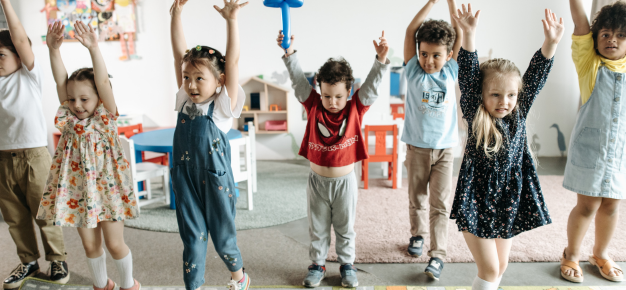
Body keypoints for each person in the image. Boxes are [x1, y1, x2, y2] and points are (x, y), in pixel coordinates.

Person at [449, 4, 563, 290]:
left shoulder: (518, 113)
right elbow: (469, 74)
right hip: (477, 200)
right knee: (489, 269)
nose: (504, 101)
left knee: (501, 267)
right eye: (496, 94)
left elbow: (535, 77)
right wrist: (469, 35)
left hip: (508, 200)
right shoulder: (475, 113)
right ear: (482, 94)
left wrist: (550, 43)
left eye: (511, 95)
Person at [278, 29, 390, 287]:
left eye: (338, 96)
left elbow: (371, 89)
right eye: (327, 95)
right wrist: (289, 53)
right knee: (317, 229)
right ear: (319, 89)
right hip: (317, 182)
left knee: (345, 228)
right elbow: (297, 82)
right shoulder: (313, 104)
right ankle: (317, 265)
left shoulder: (355, 108)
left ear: (349, 92)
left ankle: (347, 265)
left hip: (345, 183)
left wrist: (381, 60)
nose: (332, 101)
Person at [36, 21, 140, 290]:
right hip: (79, 190)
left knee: (115, 244)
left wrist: (94, 48)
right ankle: (102, 285)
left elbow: (102, 81)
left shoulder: (106, 116)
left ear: (99, 99)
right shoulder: (68, 118)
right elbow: (61, 81)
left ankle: (129, 286)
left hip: (107, 189)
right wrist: (53, 50)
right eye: (72, 100)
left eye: (84, 99)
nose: (77, 105)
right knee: (90, 244)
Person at [169, 1, 250, 290]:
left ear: (219, 81)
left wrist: (231, 21)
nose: (191, 85)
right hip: (185, 178)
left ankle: (239, 276)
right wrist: (176, 15)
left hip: (216, 181)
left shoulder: (221, 108)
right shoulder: (183, 100)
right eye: (187, 78)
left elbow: (234, 61)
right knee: (192, 237)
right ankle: (194, 286)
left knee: (222, 235)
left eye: (199, 78)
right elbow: (179, 53)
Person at [0, 0, 69, 288]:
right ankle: (28, 261)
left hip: (34, 157)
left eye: (1, 54)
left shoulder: (29, 76)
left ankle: (57, 261)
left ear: (19, 54)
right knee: (15, 218)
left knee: (45, 213)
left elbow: (17, 35)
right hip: (3, 161)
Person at [560, 0, 626, 283]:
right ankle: (571, 254)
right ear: (596, 39)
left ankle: (600, 253)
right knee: (587, 206)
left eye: (622, 35)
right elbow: (580, 24)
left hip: (621, 153)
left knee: (611, 206)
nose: (613, 40)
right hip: (591, 152)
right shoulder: (590, 64)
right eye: (606, 34)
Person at [401, 0, 462, 280]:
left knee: (440, 204)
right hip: (416, 149)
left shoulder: (451, 70)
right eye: (424, 53)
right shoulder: (413, 69)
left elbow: (458, 32)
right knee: (417, 198)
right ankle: (418, 235)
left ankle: (437, 255)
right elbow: (410, 30)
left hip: (445, 150)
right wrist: (432, 2)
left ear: (448, 54)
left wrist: (450, 4)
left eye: (436, 55)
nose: (428, 61)